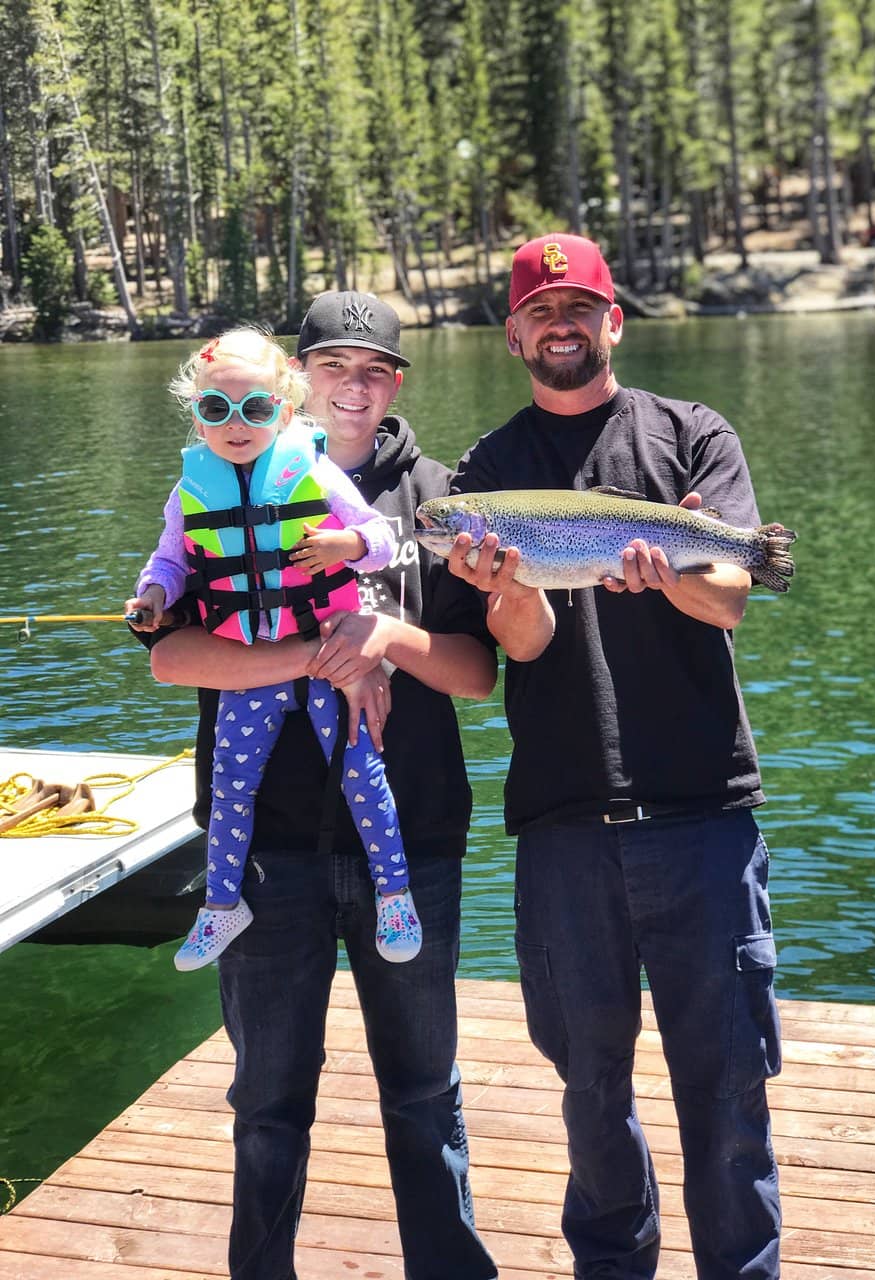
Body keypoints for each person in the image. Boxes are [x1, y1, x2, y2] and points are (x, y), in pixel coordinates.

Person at [131, 293, 499, 1280]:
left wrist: (387, 636)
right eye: (333, 367)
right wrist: (311, 653)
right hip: (267, 853)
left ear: (396, 383)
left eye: (373, 369)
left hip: (410, 839)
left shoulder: (438, 497)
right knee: (266, 1098)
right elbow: (172, 658)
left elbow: (476, 671)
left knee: (425, 1090)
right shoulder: (229, 472)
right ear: (299, 382)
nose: (353, 386)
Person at [445, 234, 783, 1279]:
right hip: (564, 824)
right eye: (541, 310)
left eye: (578, 306)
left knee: (727, 1085)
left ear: (612, 321)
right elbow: (525, 642)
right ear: (513, 335)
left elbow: (730, 595)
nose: (561, 324)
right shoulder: (488, 476)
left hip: (703, 813)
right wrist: (503, 583)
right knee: (590, 1089)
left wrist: (671, 567)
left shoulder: (692, 434)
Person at [126, 327, 421, 970]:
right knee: (234, 785)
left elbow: (377, 538)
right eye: (216, 409)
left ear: (284, 412)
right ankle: (222, 904)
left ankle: (395, 894)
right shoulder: (188, 493)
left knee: (359, 773)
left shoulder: (314, 473)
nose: (236, 424)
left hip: (326, 658)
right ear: (197, 413)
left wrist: (344, 546)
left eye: (255, 409)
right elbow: (171, 562)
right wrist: (153, 593)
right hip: (247, 670)